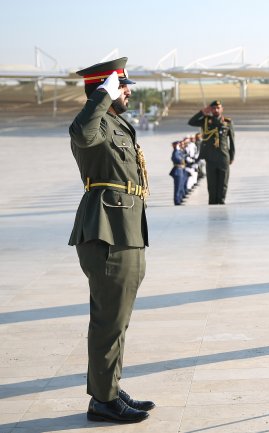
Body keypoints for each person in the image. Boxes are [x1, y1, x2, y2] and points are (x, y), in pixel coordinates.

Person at [69, 57, 155, 423]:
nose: (129, 91)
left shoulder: (114, 122)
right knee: (109, 320)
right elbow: (81, 133)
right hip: (107, 230)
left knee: (116, 319)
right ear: (104, 90)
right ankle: (102, 401)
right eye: (122, 86)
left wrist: (108, 98)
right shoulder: (96, 121)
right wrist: (102, 97)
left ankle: (109, 389)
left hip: (125, 229)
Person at [188, 100, 235, 204]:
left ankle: (221, 202)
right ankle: (212, 204)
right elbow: (191, 122)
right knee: (212, 184)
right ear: (210, 110)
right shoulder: (205, 120)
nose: (216, 110)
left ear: (222, 109)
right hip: (210, 157)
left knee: (223, 184)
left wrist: (231, 157)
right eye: (213, 108)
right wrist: (202, 112)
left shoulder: (227, 122)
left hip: (223, 157)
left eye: (218, 108)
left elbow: (232, 141)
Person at [170, 140, 186, 205]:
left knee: (180, 186)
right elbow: (175, 158)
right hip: (177, 171)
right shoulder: (175, 152)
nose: (180, 146)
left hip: (181, 170)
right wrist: (176, 149)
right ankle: (176, 201)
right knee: (177, 187)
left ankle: (179, 199)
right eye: (178, 145)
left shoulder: (179, 151)